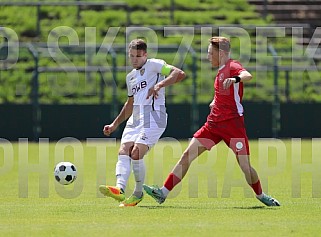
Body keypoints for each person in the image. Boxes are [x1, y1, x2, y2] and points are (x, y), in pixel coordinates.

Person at [143, 36, 280, 207]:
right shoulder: (220, 70)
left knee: (245, 166)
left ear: (221, 53)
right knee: (187, 155)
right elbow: (222, 93)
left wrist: (235, 79)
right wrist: (215, 101)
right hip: (213, 125)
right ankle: (163, 192)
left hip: (233, 125)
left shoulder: (232, 66)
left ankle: (260, 195)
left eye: (210, 53)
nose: (208, 56)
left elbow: (247, 75)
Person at [99, 39, 186, 207]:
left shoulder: (155, 65)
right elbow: (130, 104)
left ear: (145, 54)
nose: (134, 59)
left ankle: (137, 193)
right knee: (124, 150)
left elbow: (179, 73)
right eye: (131, 56)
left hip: (154, 117)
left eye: (138, 56)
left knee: (136, 152)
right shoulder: (130, 77)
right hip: (135, 119)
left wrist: (159, 85)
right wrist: (115, 124)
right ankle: (119, 189)